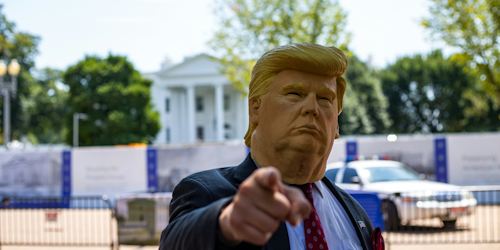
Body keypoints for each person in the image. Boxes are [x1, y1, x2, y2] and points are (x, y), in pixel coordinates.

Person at [159, 43, 376, 250]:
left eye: (325, 99)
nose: (312, 107)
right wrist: (226, 224)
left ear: (336, 124)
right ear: (255, 109)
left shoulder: (353, 211)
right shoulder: (207, 193)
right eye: (294, 94)